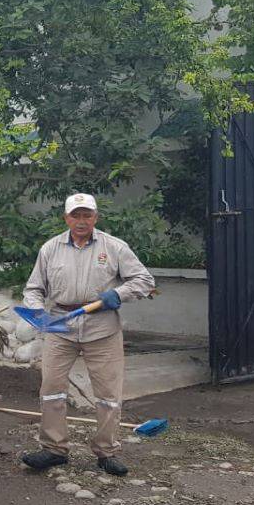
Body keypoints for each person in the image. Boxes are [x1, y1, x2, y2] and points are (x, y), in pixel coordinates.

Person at [20, 193, 155, 477]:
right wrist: (38, 313)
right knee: (52, 389)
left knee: (107, 394)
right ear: (66, 218)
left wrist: (117, 294)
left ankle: (107, 451)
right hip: (60, 326)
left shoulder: (115, 247)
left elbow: (144, 280)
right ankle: (54, 449)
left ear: (96, 217)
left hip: (102, 327)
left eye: (87, 215)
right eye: (75, 215)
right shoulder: (50, 249)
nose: (81, 221)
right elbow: (33, 289)